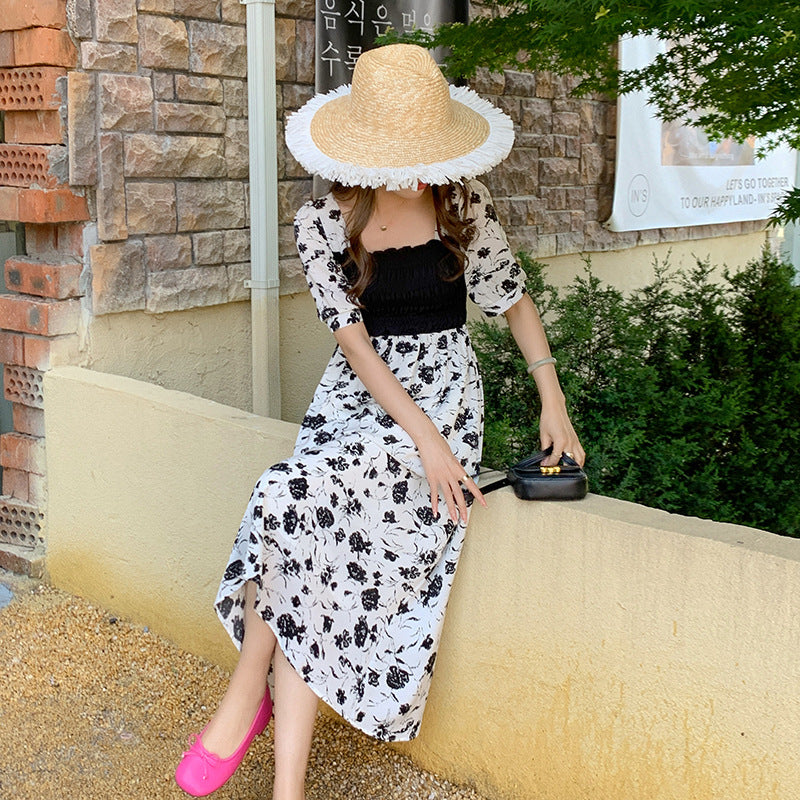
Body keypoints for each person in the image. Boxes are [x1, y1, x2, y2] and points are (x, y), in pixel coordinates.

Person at [175, 43, 584, 799]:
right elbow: (356, 348)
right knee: (296, 519)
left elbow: (513, 300)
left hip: (447, 398)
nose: (424, 169)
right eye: (407, 156)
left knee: (293, 514)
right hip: (363, 399)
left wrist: (550, 398)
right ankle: (282, 777)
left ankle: (244, 701)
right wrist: (419, 441)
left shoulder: (463, 206)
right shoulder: (322, 224)